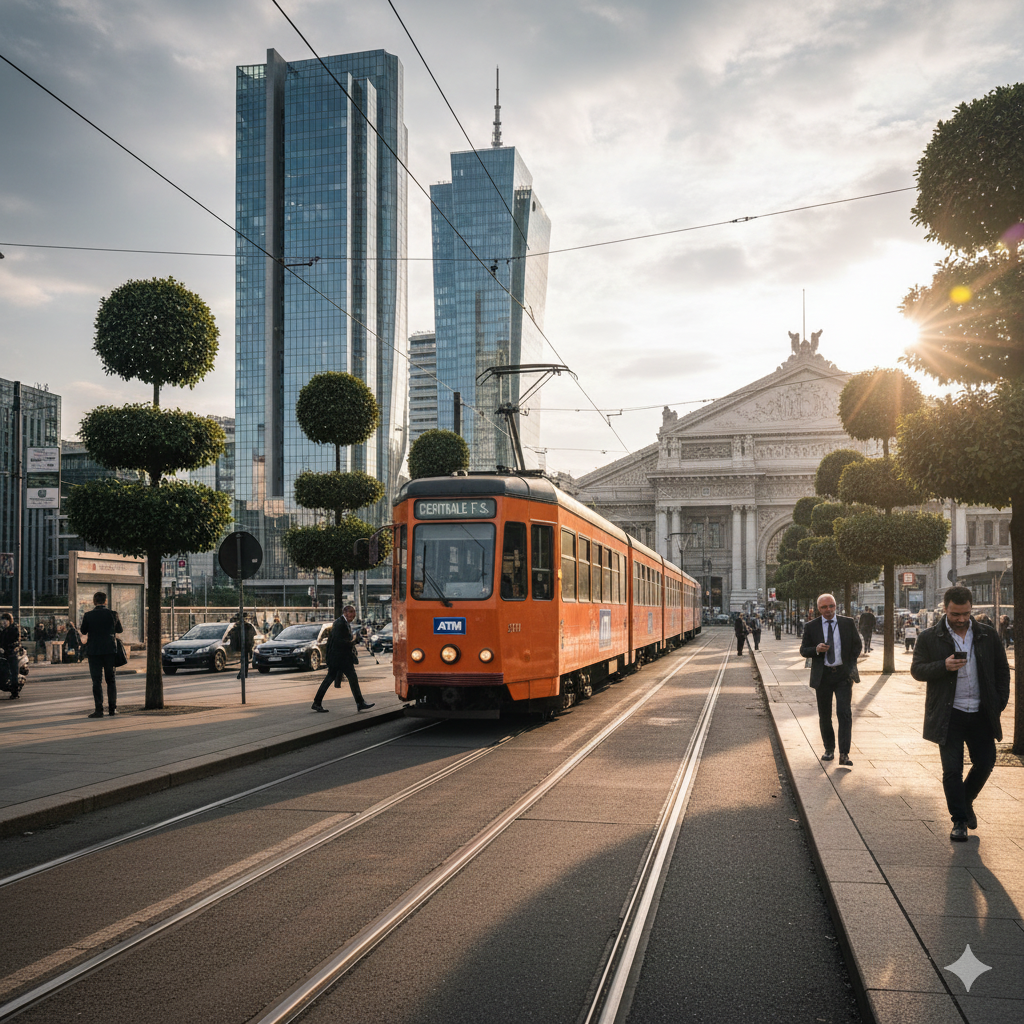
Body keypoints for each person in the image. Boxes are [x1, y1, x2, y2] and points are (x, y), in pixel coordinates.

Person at [911, 586, 1010, 843]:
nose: (961, 619)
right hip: (949, 713)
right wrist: (943, 666)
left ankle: (965, 800)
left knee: (986, 762)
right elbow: (917, 670)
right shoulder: (930, 637)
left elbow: (1002, 669)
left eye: (966, 613)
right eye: (955, 614)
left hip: (980, 713)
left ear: (971, 608)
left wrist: (998, 702)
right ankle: (959, 820)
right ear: (945, 609)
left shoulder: (987, 634)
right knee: (952, 770)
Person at [800, 593, 862, 767]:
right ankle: (829, 749)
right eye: (824, 607)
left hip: (843, 676)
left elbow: (857, 645)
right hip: (823, 677)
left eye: (831, 606)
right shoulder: (811, 626)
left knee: (844, 713)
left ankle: (844, 753)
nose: (828, 610)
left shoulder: (847, 623)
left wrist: (849, 665)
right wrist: (816, 649)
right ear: (818, 609)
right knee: (825, 715)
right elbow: (804, 650)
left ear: (836, 606)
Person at [311, 604, 374, 713]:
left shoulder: (343, 623)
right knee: (345, 678)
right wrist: (354, 641)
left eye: (353, 615)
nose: (353, 617)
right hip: (339, 658)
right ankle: (359, 703)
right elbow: (340, 642)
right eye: (352, 614)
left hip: (340, 658)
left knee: (343, 679)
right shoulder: (340, 624)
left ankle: (359, 703)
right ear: (346, 613)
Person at [80, 592, 123, 718]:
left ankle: (99, 710)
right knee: (111, 680)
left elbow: (83, 630)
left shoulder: (88, 615)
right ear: (105, 601)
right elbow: (119, 629)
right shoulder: (113, 614)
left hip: (94, 651)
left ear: (94, 601)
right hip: (110, 650)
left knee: (96, 681)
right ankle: (112, 709)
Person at [1, 612, 24, 699]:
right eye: (2, 621)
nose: (3, 623)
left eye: (5, 621)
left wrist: (8, 647)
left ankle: (15, 692)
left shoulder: (14, 629)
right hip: (3, 653)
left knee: (13, 672)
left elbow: (15, 641)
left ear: (9, 621)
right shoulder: (3, 631)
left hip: (11, 653)